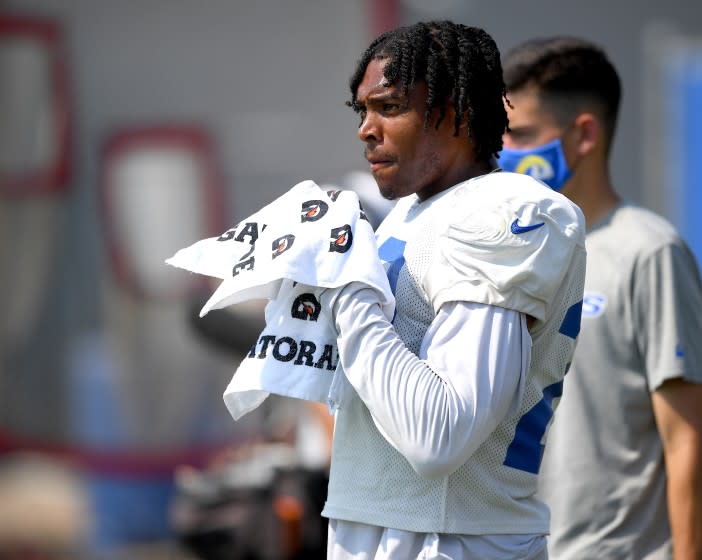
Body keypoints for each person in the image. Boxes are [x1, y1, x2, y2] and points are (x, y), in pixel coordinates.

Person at [319, 21, 587, 559]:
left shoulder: (504, 209)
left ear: (457, 112)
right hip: (379, 528)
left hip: (453, 538)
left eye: (389, 106)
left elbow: (438, 435)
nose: (366, 129)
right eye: (362, 110)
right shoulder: (407, 215)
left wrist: (347, 287)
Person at [499, 37, 702, 559]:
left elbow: (687, 441)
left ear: (583, 134)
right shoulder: (504, 255)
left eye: (519, 135)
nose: (502, 151)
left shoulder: (650, 252)